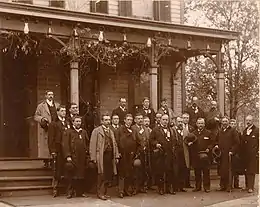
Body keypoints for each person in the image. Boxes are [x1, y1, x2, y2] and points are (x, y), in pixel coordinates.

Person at [89, 114, 120, 200]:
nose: (108, 121)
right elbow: (92, 144)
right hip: (101, 156)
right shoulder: (97, 131)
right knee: (101, 175)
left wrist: (116, 155)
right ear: (102, 121)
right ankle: (100, 193)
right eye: (105, 120)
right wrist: (93, 158)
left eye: (108, 120)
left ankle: (105, 192)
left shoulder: (110, 131)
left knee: (108, 175)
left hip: (110, 156)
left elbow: (115, 144)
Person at [150, 114, 177, 195]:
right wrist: (156, 144)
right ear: (160, 120)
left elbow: (174, 139)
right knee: (160, 172)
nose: (165, 121)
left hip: (169, 154)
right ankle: (161, 188)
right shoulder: (155, 130)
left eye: (166, 120)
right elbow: (151, 140)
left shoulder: (170, 130)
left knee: (169, 171)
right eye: (164, 119)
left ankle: (169, 188)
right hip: (160, 154)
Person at [63, 116, 89, 199]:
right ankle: (70, 192)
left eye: (79, 121)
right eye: (77, 121)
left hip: (82, 157)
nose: (78, 123)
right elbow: (65, 145)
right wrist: (68, 155)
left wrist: (87, 154)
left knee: (81, 175)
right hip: (73, 157)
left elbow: (87, 143)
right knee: (72, 174)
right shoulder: (69, 132)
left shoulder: (83, 132)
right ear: (73, 122)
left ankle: (80, 192)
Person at [48, 105, 68, 197]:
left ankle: (67, 189)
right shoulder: (53, 124)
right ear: (58, 112)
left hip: (66, 149)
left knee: (66, 168)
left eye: (65, 111)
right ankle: (55, 189)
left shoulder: (67, 123)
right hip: (58, 149)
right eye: (62, 111)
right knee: (57, 170)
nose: (64, 112)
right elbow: (50, 138)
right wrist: (52, 150)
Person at [34, 90, 59, 166]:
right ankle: (46, 161)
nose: (51, 96)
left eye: (52, 94)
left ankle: (53, 160)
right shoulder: (41, 106)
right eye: (49, 94)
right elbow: (36, 116)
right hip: (46, 128)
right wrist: (42, 118)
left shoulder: (57, 105)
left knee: (54, 142)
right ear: (46, 96)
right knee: (46, 144)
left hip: (55, 127)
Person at [215, 116, 240, 192]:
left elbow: (237, 142)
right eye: (223, 121)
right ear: (221, 123)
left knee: (229, 170)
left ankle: (229, 186)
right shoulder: (220, 131)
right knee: (222, 170)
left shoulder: (233, 131)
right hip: (221, 154)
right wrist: (216, 145)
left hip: (229, 154)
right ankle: (222, 186)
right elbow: (216, 140)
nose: (224, 123)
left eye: (226, 121)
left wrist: (232, 151)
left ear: (228, 122)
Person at [117, 114, 137, 198]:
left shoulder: (133, 130)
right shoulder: (120, 130)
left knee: (129, 173)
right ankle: (121, 191)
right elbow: (117, 141)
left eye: (131, 120)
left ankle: (126, 190)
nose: (129, 122)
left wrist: (136, 153)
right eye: (128, 120)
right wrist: (118, 153)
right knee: (122, 173)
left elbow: (137, 141)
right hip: (123, 154)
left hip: (131, 155)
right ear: (124, 120)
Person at [191, 118, 212, 193]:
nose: (200, 125)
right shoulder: (193, 133)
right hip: (196, 155)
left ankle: (207, 187)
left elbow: (212, 143)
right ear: (196, 124)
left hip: (205, 156)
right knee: (197, 172)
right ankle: (198, 187)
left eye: (202, 123)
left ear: (204, 124)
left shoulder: (208, 133)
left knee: (206, 172)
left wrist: (209, 148)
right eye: (199, 123)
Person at [131, 113, 150, 194]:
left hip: (144, 152)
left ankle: (142, 187)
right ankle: (135, 187)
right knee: (136, 171)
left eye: (141, 118)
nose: (140, 120)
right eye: (138, 118)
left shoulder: (145, 128)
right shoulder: (133, 128)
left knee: (143, 170)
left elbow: (147, 139)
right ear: (135, 120)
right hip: (136, 152)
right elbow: (133, 141)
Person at [241, 115, 259, 193]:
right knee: (246, 170)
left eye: (250, 120)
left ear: (252, 121)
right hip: (245, 154)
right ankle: (247, 186)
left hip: (253, 154)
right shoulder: (245, 131)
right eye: (247, 120)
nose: (248, 122)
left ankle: (251, 187)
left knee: (251, 170)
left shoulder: (257, 130)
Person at [174, 117, 188, 192]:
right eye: (178, 121)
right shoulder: (173, 130)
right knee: (176, 170)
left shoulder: (185, 131)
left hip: (183, 152)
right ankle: (175, 186)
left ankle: (181, 186)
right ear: (176, 122)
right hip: (176, 152)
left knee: (183, 169)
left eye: (181, 122)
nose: (180, 123)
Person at [182, 113, 195, 188]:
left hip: (189, 149)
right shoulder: (178, 127)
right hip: (182, 149)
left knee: (188, 165)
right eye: (184, 118)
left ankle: (187, 183)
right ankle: (182, 183)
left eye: (187, 118)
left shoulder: (191, 128)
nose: (185, 119)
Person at [229, 119, 242, 189]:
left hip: (237, 153)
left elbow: (239, 143)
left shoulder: (238, 133)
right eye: (231, 124)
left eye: (234, 124)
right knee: (230, 169)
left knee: (236, 169)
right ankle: (229, 184)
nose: (232, 125)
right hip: (230, 151)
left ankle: (236, 184)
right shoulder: (228, 132)